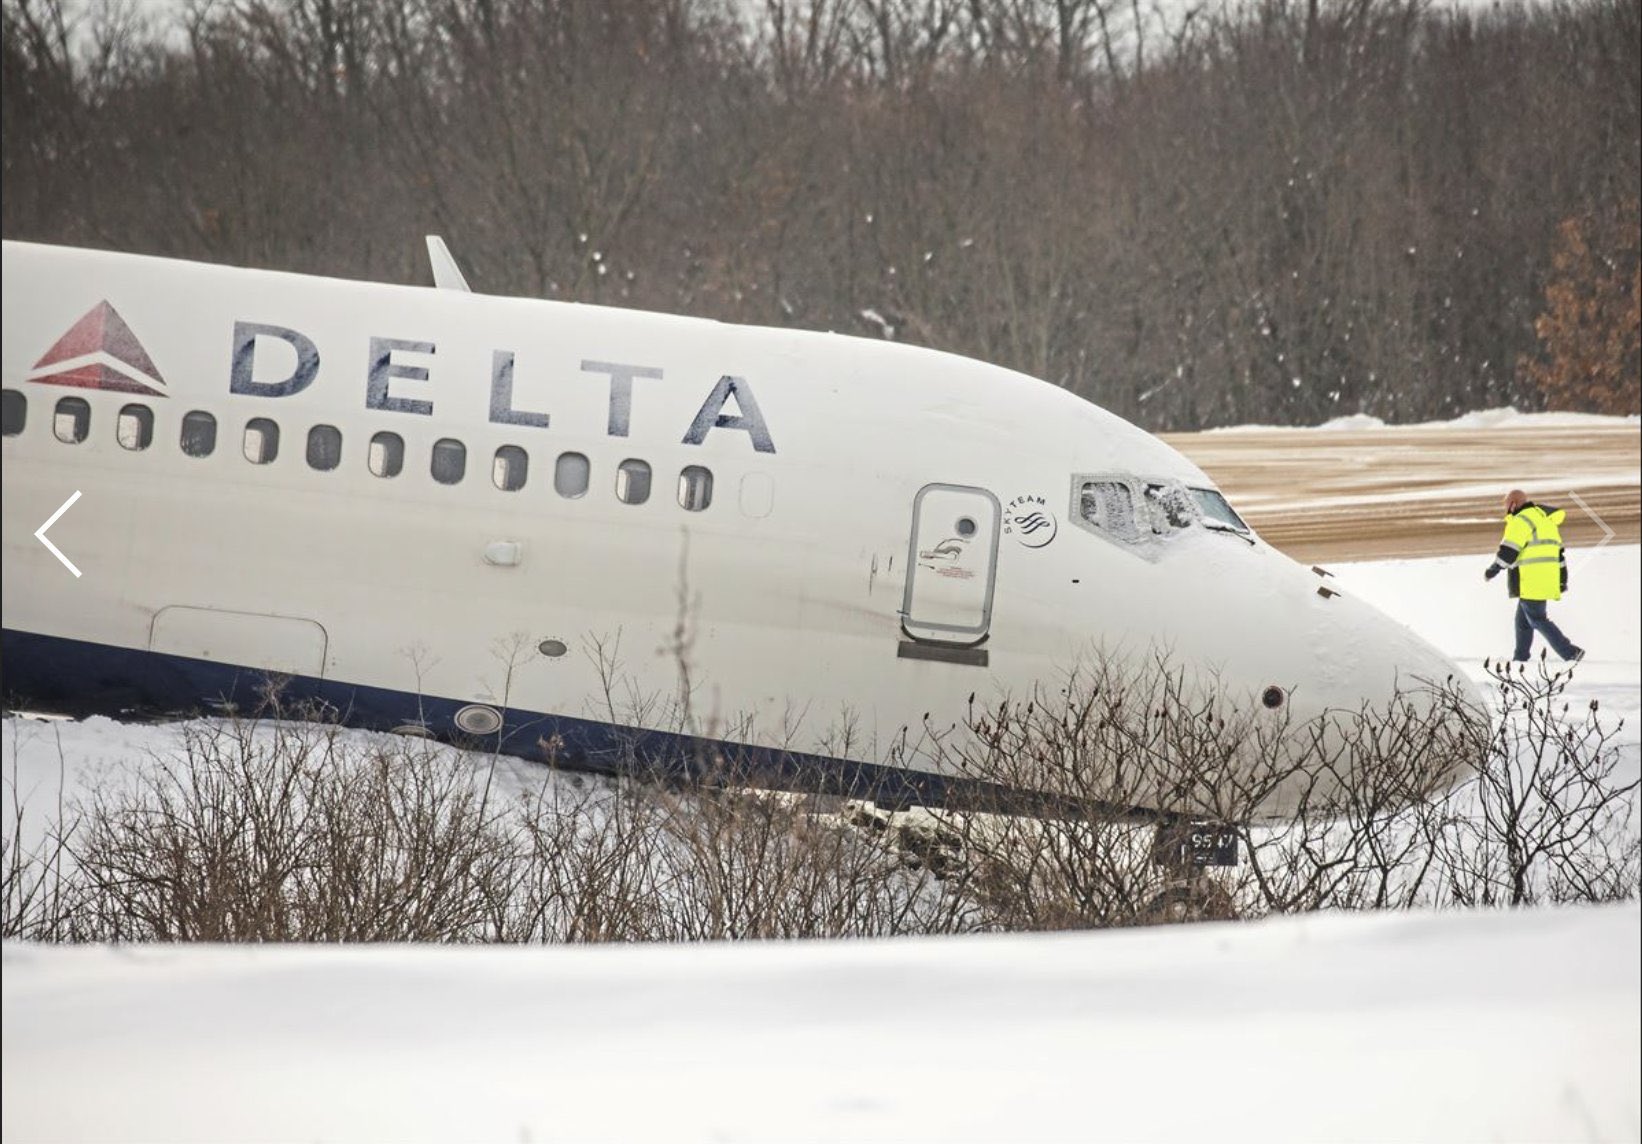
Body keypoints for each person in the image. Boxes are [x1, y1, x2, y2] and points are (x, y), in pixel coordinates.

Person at [1484, 489, 1584, 663]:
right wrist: (1562, 579)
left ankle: (1570, 653)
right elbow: (1559, 554)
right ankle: (1520, 658)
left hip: (1531, 579)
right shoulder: (1545, 520)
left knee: (1537, 619)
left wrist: (1493, 569)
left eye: (1506, 505)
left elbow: (1509, 551)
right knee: (1522, 621)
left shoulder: (1521, 520)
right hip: (1545, 578)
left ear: (1513, 504)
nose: (1506, 509)